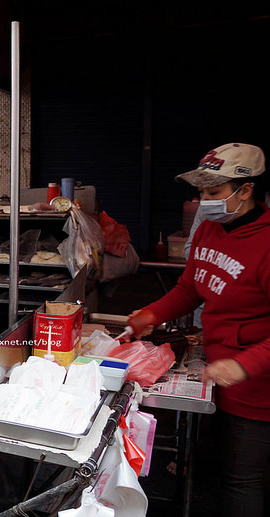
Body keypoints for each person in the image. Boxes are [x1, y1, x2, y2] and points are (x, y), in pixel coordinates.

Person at [127, 143, 270, 517]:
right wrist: (152, 313)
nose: (204, 201)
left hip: (256, 385)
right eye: (202, 193)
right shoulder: (208, 228)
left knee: (242, 480)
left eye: (214, 192)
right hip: (214, 369)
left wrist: (244, 365)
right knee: (212, 465)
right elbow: (191, 288)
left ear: (247, 189)